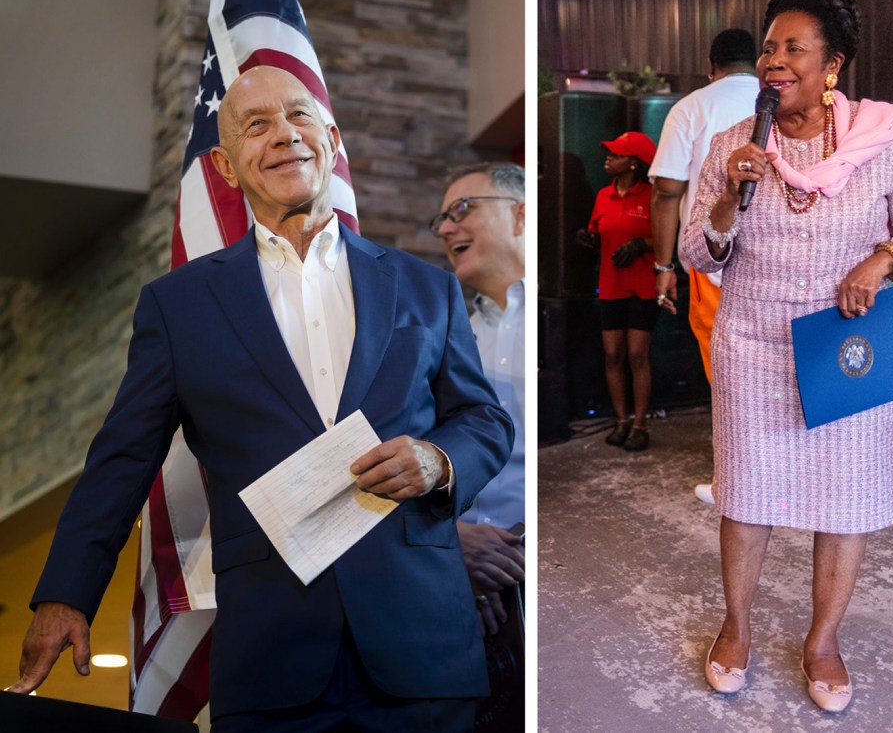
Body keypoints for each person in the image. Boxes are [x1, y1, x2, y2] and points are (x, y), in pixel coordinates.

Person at [9, 66, 514, 732]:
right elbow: (122, 458)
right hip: (272, 660)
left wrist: (440, 460)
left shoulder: (425, 288)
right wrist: (66, 595)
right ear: (223, 166)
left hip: (422, 646)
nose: (283, 135)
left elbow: (481, 418)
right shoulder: (178, 306)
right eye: (257, 125)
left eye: (299, 116)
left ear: (331, 140)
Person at [680, 0, 893, 713]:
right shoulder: (734, 146)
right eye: (769, 47)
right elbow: (697, 255)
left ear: (831, 67)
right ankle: (736, 627)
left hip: (847, 341)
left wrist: (882, 262)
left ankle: (822, 641)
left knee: (846, 498)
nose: (775, 60)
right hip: (753, 338)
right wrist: (730, 198)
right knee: (746, 491)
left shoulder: (884, 135)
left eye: (794, 48)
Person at [648, 28, 760, 505]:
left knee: (729, 374)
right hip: (787, 261)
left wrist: (662, 263)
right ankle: (781, 474)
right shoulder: (789, 100)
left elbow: (666, 191)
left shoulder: (692, 107)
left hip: (717, 264)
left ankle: (737, 482)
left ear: (711, 66)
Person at [433, 162, 526, 635]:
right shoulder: (452, 339)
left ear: (521, 216)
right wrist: (453, 550)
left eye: (462, 210)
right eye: (442, 220)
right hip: (467, 584)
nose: (446, 228)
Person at [576, 132, 658, 451]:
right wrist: (587, 238)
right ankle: (621, 420)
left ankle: (640, 424)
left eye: (616, 154)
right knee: (612, 355)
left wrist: (642, 245)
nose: (608, 158)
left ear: (634, 163)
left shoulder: (652, 196)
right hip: (611, 284)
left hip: (642, 286)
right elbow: (598, 230)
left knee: (638, 355)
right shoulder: (602, 196)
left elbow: (669, 238)